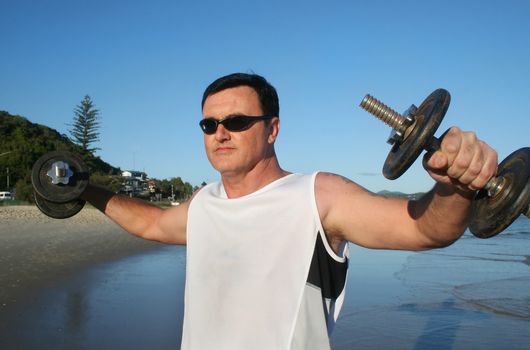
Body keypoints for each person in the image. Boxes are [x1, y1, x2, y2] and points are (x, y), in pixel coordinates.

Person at [81, 73, 498, 350]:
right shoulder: (205, 203)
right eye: (209, 125)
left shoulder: (318, 196)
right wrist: (86, 190)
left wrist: (454, 188)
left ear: (273, 129)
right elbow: (151, 222)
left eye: (237, 121)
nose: (220, 133)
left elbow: (425, 230)